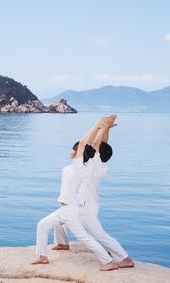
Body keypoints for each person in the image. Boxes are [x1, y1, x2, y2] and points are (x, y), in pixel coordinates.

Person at [52, 115, 135, 269]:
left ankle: (126, 259)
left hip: (85, 207)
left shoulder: (93, 164)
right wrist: (107, 128)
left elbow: (96, 144)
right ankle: (62, 243)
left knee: (99, 235)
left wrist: (102, 126)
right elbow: (102, 144)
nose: (92, 148)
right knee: (58, 220)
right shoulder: (100, 164)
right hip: (84, 203)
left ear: (98, 154)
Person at [33, 117, 115, 270]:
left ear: (79, 153)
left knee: (84, 237)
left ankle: (108, 261)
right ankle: (42, 256)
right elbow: (92, 145)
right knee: (42, 225)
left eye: (74, 149)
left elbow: (86, 144)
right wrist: (105, 128)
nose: (71, 151)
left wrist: (97, 126)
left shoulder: (80, 166)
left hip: (70, 209)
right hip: (64, 209)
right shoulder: (75, 166)